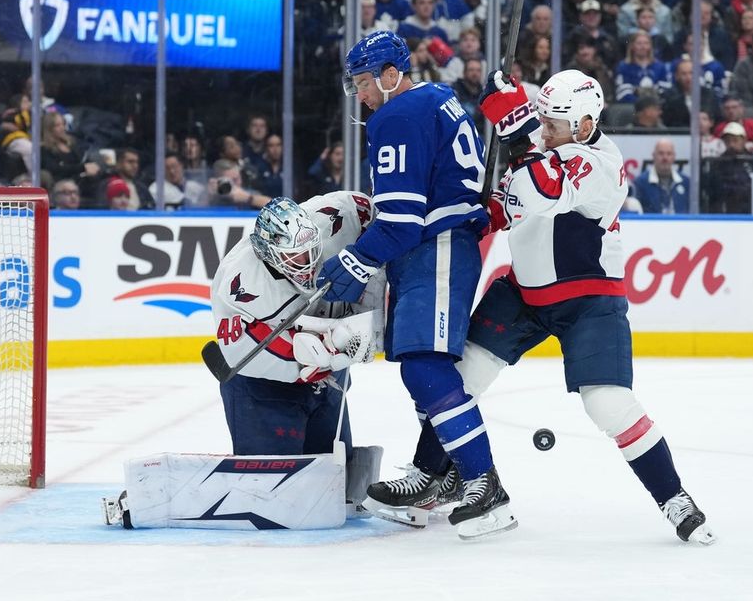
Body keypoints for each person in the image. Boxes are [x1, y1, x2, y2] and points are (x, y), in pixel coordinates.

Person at [455, 68, 715, 544]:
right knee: (458, 380)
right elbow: (506, 204)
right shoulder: (547, 142)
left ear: (583, 123)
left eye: (552, 124)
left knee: (608, 403)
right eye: (539, 120)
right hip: (524, 293)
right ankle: (435, 475)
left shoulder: (601, 162)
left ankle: (674, 497)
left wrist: (512, 127)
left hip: (589, 300)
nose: (544, 129)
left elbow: (539, 188)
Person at [316, 30, 515, 540]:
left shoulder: (398, 115)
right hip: (434, 248)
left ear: (390, 75)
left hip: (436, 248)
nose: (359, 93)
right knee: (422, 367)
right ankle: (437, 479)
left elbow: (402, 220)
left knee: (427, 368)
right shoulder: (439, 100)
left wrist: (357, 259)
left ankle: (482, 483)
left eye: (363, 81)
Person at [210, 192, 383, 512]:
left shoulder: (332, 217)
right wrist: (328, 350)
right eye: (295, 257)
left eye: (310, 252)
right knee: (271, 498)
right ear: (269, 254)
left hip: (326, 376)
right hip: (262, 385)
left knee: (335, 494)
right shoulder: (242, 285)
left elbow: (377, 211)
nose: (307, 263)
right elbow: (241, 354)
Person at [631, 139, 690, 213]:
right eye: (661, 153)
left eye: (669, 154)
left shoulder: (686, 182)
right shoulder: (640, 183)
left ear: (674, 156)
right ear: (653, 156)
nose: (665, 158)